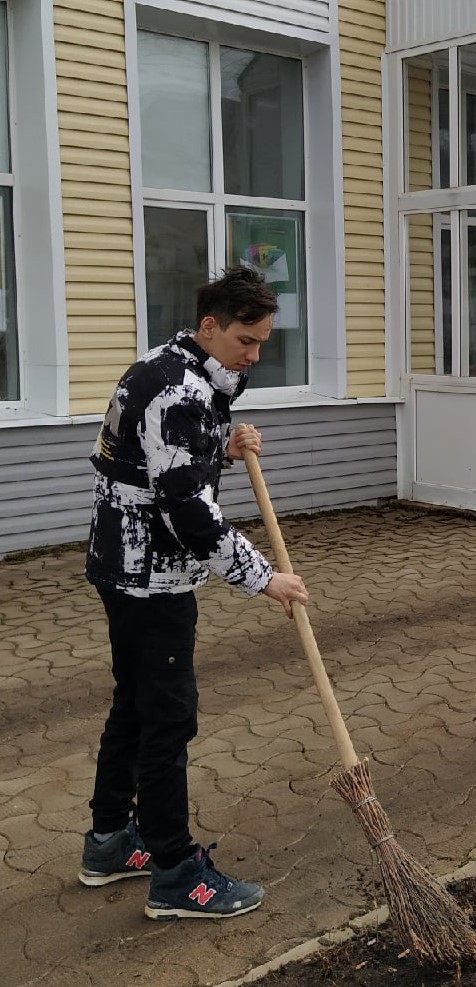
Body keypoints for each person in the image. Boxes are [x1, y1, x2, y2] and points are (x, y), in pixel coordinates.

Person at [80, 266, 309, 920]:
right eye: (245, 340)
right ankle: (175, 872)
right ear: (209, 327)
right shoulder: (179, 393)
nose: (254, 354)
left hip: (121, 566)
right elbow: (188, 513)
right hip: (149, 578)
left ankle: (107, 842)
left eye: (262, 342)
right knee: (168, 718)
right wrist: (265, 578)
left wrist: (221, 446)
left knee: (135, 705)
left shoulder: (162, 367)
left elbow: (150, 460)